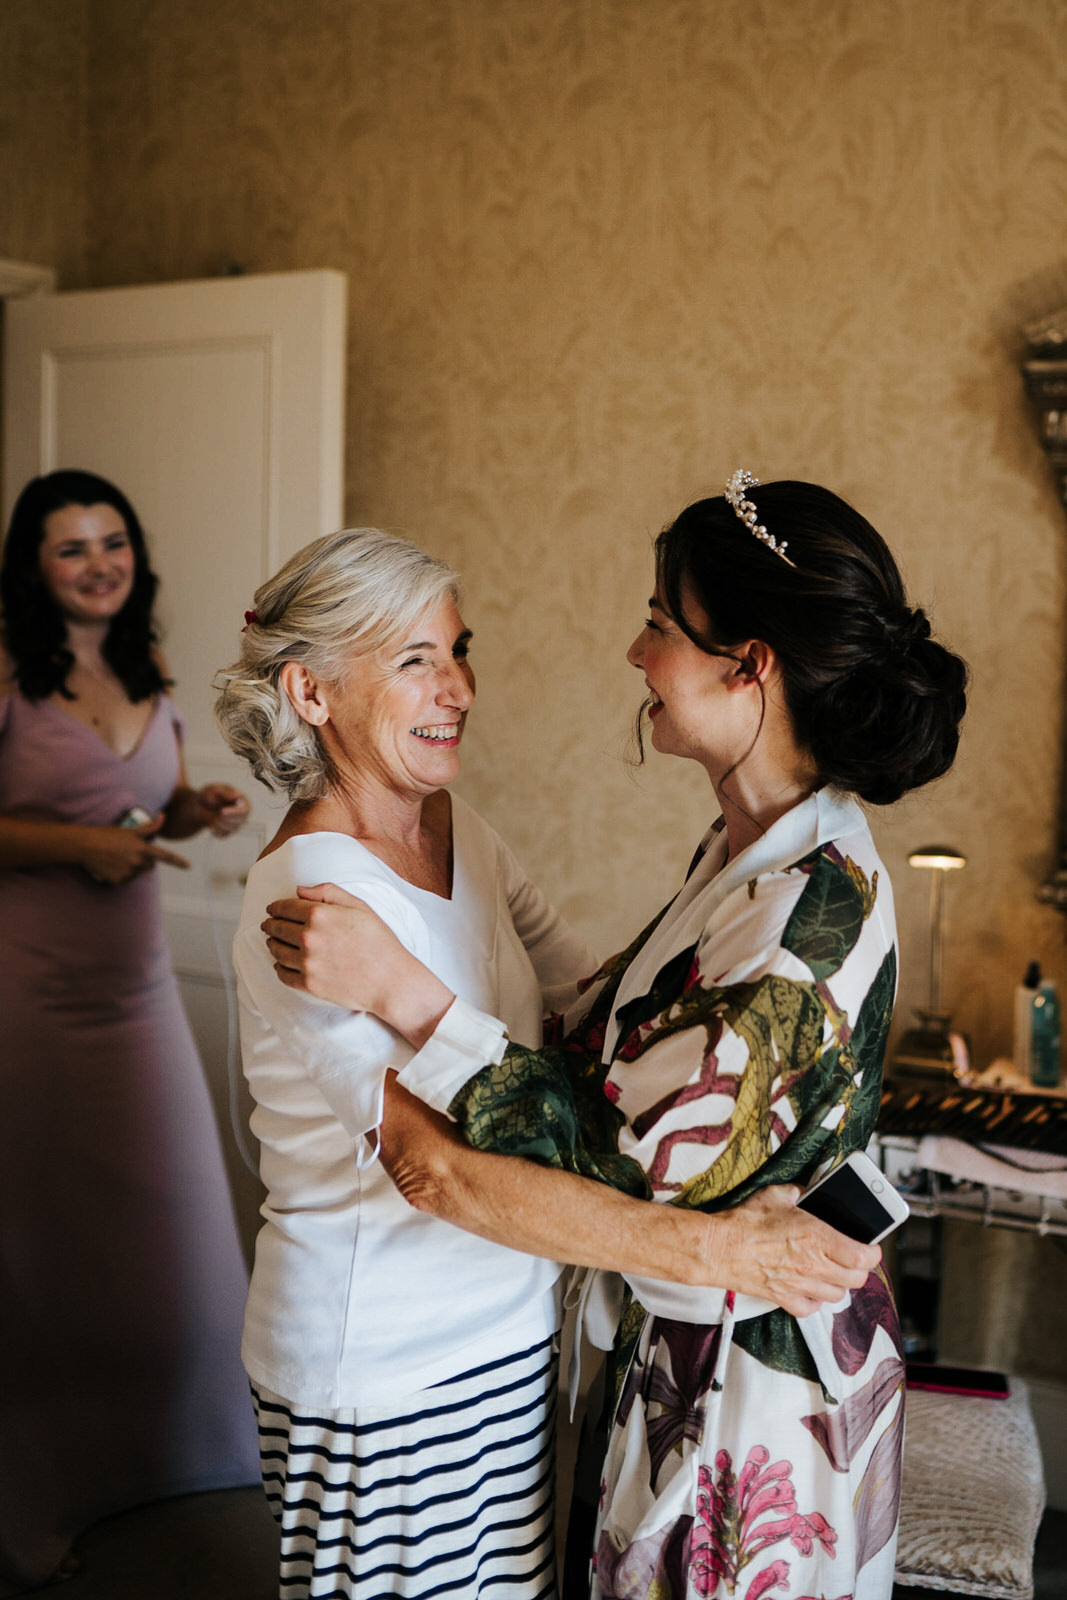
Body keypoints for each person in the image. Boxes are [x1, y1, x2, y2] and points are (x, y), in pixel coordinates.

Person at [260, 474, 969, 1600]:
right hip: (554, 1349)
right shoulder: (737, 853)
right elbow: (595, 1029)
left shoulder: (802, 910)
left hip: (750, 1394)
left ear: (748, 665)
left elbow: (628, 1159)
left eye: (656, 623)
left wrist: (411, 998)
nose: (634, 653)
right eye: (412, 658)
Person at [0, 469, 260, 1595]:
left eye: (113, 541)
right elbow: (64, 827)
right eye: (71, 547)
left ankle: (190, 1458)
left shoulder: (147, 666)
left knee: (182, 1235)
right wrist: (76, 850)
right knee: (48, 1248)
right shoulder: (9, 673)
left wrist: (194, 813)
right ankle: (36, 1497)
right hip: (33, 994)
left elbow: (145, 806)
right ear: (33, 567)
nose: (98, 562)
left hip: (139, 988)